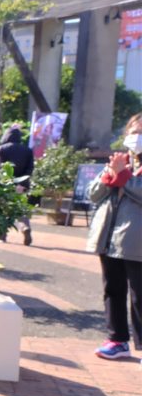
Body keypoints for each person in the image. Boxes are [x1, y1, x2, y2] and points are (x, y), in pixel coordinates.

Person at [86, 113, 142, 361]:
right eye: (133, 132)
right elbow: (93, 194)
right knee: (112, 289)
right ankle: (117, 339)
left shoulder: (129, 170)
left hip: (136, 241)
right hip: (110, 238)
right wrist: (111, 174)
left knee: (139, 295)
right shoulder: (121, 161)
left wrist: (124, 177)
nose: (135, 138)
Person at [0, 125, 34, 245]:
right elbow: (30, 169)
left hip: (6, 184)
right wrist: (21, 184)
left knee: (3, 209)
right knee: (20, 209)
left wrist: (8, 182)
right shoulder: (28, 150)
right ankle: (24, 227)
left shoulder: (2, 149)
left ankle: (2, 235)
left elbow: (1, 168)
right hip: (23, 184)